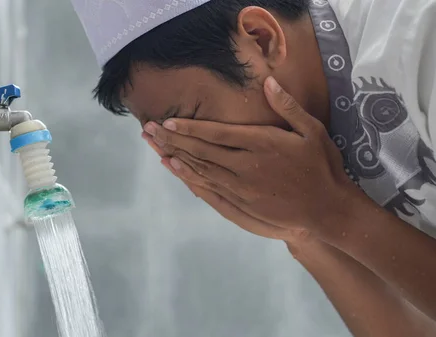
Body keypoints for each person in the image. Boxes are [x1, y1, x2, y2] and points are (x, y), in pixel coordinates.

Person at [69, 0, 436, 335]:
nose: (194, 156)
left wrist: (336, 214)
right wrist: (303, 233)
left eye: (191, 121)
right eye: (165, 140)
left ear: (262, 39)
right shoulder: (309, 172)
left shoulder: (422, 40)